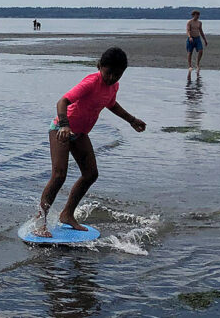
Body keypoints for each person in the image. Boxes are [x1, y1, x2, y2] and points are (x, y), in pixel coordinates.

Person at [33, 47, 146, 237]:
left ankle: (67, 214)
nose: (111, 78)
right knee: (59, 175)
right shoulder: (91, 82)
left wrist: (131, 120)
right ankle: (40, 222)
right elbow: (62, 102)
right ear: (99, 66)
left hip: (80, 134)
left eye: (117, 75)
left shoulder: (113, 86)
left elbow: (111, 104)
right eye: (108, 73)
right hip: (60, 130)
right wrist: (64, 125)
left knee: (91, 174)